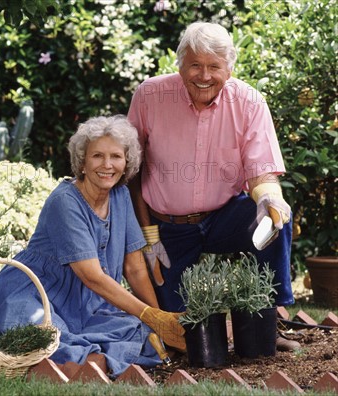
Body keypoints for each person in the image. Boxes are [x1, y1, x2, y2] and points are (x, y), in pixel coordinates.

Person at [127, 22, 298, 350]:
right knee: (180, 333)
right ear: (180, 64)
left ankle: (269, 323)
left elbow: (262, 173)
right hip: (167, 227)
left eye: (214, 67)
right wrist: (146, 237)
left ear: (229, 68)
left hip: (223, 216)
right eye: (195, 65)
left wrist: (269, 199)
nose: (203, 76)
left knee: (274, 219)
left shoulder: (249, 101)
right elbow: (130, 173)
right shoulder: (149, 95)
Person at [0, 115, 185, 378]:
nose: (107, 165)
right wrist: (150, 316)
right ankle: (80, 366)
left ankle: (85, 364)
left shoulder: (121, 195)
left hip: (88, 306)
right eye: (97, 156)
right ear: (82, 161)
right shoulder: (65, 201)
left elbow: (134, 267)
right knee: (45, 337)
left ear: (127, 162)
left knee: (144, 332)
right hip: (34, 297)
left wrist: (157, 319)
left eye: (116, 156)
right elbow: (92, 277)